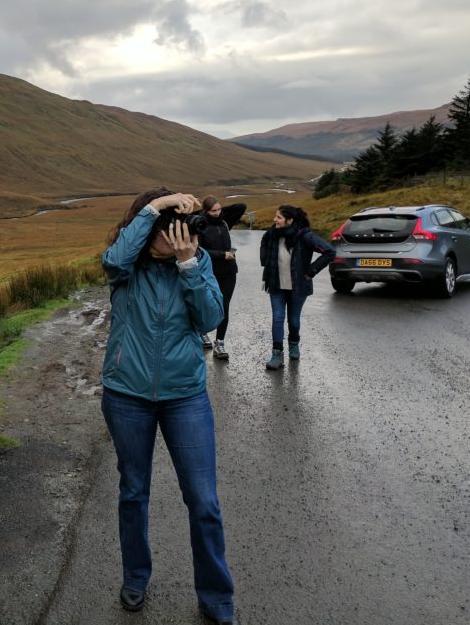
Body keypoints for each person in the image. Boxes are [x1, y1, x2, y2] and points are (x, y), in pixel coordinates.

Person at [100, 187, 235, 625]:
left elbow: (211, 319)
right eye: (167, 226)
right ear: (150, 228)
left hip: (185, 397)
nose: (178, 234)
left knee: (203, 500)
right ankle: (136, 576)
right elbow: (113, 260)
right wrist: (154, 207)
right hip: (127, 397)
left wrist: (188, 264)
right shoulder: (127, 269)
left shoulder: (198, 263)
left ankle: (215, 595)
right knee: (134, 492)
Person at [259, 204, 334, 371]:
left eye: (278, 217)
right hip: (276, 284)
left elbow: (329, 251)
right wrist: (264, 258)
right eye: (275, 216)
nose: (274, 220)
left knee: (293, 320)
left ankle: (294, 344)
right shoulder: (272, 234)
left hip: (298, 287)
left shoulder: (304, 236)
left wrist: (311, 270)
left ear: (290, 220)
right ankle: (277, 354)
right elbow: (264, 241)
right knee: (277, 318)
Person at [197, 196, 248, 360]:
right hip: (209, 272)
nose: (218, 213)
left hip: (229, 271)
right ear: (205, 211)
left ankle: (220, 343)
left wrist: (218, 208)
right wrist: (221, 255)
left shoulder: (225, 222)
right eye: (214, 211)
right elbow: (199, 250)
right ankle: (203, 333)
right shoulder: (200, 225)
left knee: (224, 306)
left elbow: (241, 206)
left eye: (219, 210)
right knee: (206, 305)